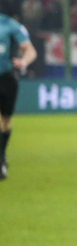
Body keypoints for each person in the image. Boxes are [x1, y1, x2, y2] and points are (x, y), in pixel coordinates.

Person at [0, 12, 37, 180]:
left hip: (6, 78)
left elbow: (30, 50)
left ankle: (2, 158)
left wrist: (24, 62)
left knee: (5, 121)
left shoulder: (10, 25)